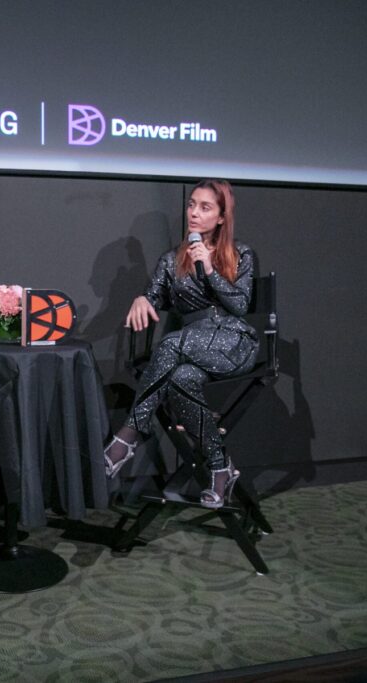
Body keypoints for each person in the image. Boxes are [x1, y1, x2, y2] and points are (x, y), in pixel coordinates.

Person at [105, 179, 258, 508]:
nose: (194, 213)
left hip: (233, 343)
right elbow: (153, 296)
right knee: (180, 379)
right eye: (191, 205)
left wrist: (210, 269)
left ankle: (127, 437)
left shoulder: (240, 253)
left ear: (221, 217)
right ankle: (220, 468)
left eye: (205, 207)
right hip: (192, 346)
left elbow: (240, 305)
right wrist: (142, 299)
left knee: (170, 344)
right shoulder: (171, 260)